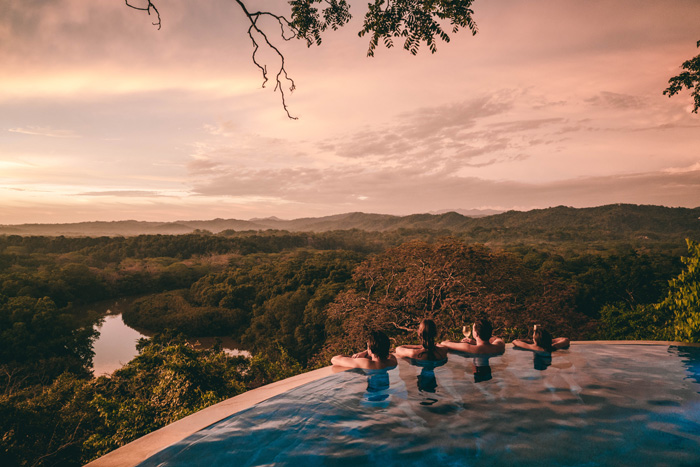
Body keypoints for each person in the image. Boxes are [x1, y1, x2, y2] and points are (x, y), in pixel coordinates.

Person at [331, 330, 397, 369]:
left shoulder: (366, 363)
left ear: (370, 350)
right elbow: (390, 355)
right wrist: (368, 351)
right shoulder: (392, 362)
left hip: (372, 392)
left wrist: (363, 353)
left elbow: (334, 359)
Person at [440, 317, 505, 354]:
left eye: (473, 329)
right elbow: (496, 338)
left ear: (476, 334)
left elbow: (444, 343)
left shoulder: (470, 348)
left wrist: (461, 342)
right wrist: (475, 343)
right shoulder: (499, 346)